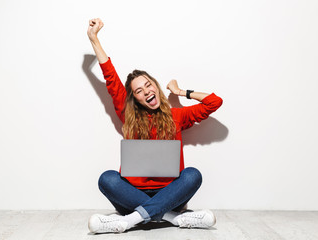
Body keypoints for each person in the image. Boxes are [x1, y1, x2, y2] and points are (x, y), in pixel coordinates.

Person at [87, 18, 223, 234]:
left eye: (148, 85)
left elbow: (214, 102)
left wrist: (180, 93)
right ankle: (173, 218)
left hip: (171, 194)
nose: (146, 91)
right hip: (131, 194)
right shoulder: (128, 113)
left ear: (156, 88)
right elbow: (110, 76)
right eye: (139, 91)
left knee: (192, 175)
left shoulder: (176, 116)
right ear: (136, 98)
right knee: (107, 179)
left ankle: (129, 221)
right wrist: (94, 39)